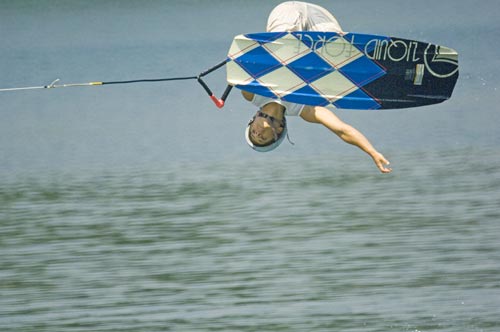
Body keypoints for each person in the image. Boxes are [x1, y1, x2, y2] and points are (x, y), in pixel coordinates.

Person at [244, 1, 392, 174]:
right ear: (278, 131)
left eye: (253, 132)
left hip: (285, 16)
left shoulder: (252, 94)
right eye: (262, 137)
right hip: (319, 23)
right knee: (335, 53)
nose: (258, 132)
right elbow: (341, 129)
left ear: (252, 121)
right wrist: (372, 152)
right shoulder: (303, 109)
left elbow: (243, 61)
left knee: (283, 39)